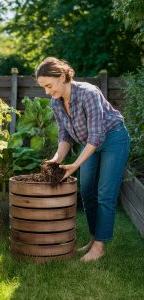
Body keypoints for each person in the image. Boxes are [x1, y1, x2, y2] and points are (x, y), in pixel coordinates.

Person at [35, 57, 130, 262]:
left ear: (62, 76)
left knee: (105, 193)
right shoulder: (56, 101)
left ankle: (99, 246)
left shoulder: (89, 93)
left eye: (49, 86)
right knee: (86, 192)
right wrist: (56, 158)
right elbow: (65, 135)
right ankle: (95, 238)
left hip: (113, 139)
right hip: (90, 145)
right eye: (44, 88)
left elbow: (96, 136)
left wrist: (76, 164)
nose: (47, 92)